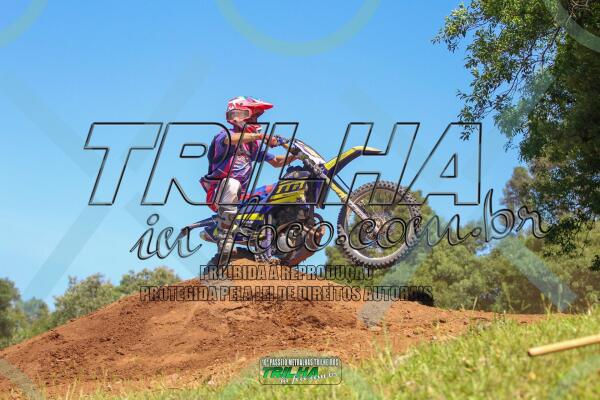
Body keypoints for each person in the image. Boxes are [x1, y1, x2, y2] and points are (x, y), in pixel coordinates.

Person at [201, 96, 294, 259]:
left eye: (257, 117)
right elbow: (232, 140)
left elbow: (276, 162)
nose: (256, 121)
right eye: (254, 116)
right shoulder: (224, 135)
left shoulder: (251, 145)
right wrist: (260, 136)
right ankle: (224, 236)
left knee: (277, 191)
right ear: (240, 115)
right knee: (231, 184)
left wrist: (297, 156)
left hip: (242, 196)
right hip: (219, 193)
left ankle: (272, 240)